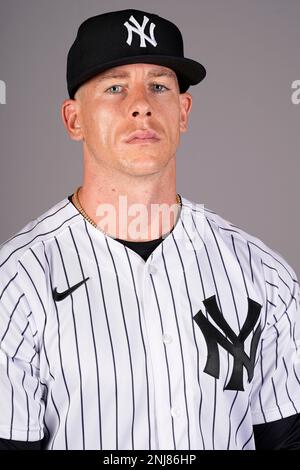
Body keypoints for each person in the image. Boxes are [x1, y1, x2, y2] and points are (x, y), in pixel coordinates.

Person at [0, 8, 299, 451]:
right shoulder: (18, 281)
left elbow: (287, 439)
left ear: (183, 112)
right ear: (74, 119)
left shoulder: (263, 272)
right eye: (115, 87)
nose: (140, 104)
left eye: (158, 86)